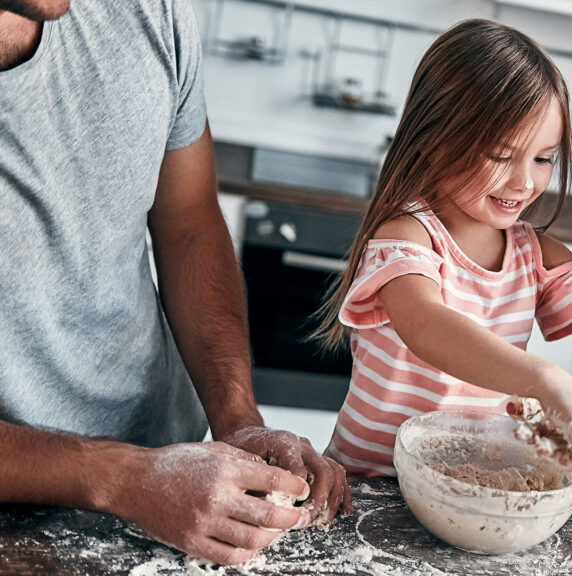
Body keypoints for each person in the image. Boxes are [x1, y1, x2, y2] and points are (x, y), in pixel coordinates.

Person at [0, 0, 349, 565]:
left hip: (179, 487)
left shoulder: (149, 10)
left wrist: (237, 422)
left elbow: (188, 222)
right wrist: (128, 478)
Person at [313, 19, 572, 485]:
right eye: (500, 155)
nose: (524, 182)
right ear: (434, 141)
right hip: (367, 485)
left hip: (463, 487)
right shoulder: (407, 236)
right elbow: (426, 326)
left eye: (543, 159)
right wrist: (547, 380)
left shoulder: (537, 256)